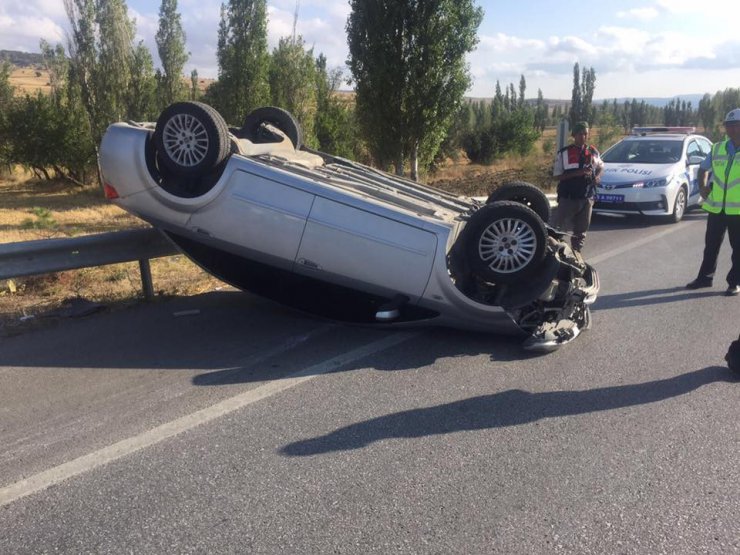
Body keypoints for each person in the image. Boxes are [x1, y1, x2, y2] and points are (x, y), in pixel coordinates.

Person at [685, 108, 740, 297]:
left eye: (736, 125)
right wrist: (702, 187)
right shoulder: (718, 148)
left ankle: (734, 283)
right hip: (717, 207)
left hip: (738, 211)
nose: (733, 129)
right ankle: (704, 278)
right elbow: (703, 169)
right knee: (711, 245)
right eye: (729, 126)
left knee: (738, 249)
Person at [552, 121, 604, 252]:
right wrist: (578, 173)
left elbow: (601, 166)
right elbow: (557, 176)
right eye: (580, 134)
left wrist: (597, 176)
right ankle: (556, 256)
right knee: (558, 230)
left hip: (587, 197)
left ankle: (576, 256)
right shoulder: (564, 153)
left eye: (585, 134)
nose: (583, 137)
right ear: (574, 135)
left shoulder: (593, 151)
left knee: (581, 232)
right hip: (568, 197)